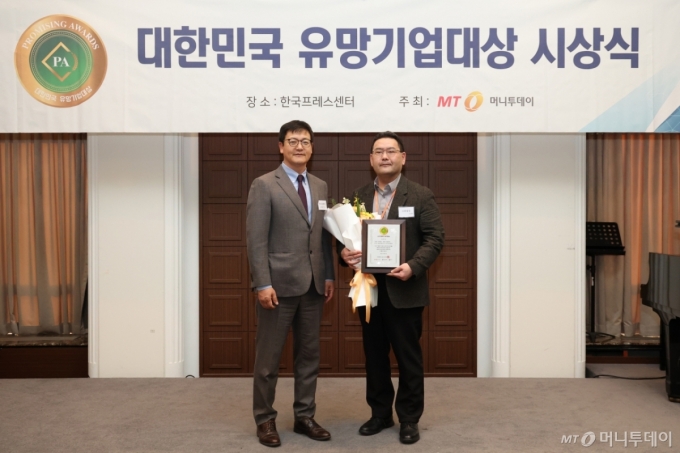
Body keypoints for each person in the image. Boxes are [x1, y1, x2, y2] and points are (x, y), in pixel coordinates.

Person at [338, 131, 444, 445]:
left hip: (405, 290)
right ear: (371, 159)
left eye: (391, 151)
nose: (385, 156)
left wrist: (413, 266)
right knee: (374, 356)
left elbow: (435, 238)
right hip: (368, 290)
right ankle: (380, 413)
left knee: (408, 357)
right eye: (379, 151)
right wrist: (344, 254)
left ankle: (409, 418)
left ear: (403, 157)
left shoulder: (420, 195)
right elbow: (344, 238)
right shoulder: (357, 196)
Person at [247, 120, 335, 447]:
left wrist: (328, 275)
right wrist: (262, 284)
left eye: (306, 141)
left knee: (309, 356)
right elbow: (256, 240)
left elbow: (323, 237)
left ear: (312, 148)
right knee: (268, 360)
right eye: (293, 141)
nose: (300, 146)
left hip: (313, 285)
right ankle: (265, 419)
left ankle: (304, 416)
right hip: (277, 286)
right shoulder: (264, 185)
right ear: (281, 146)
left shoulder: (320, 186)